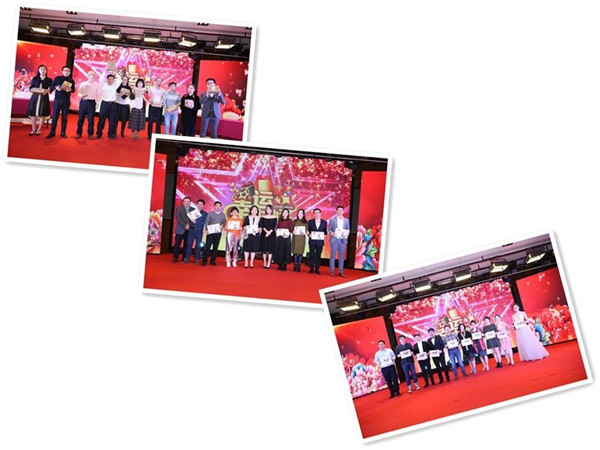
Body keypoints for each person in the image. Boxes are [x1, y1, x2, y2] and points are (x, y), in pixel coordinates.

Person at [47, 65, 75, 139]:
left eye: (68, 71)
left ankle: (63, 132)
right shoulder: (57, 78)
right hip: (57, 100)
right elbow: (51, 87)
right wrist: (56, 88)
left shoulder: (71, 80)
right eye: (65, 71)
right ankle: (52, 132)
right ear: (62, 71)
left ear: (70, 72)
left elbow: (73, 90)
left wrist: (70, 90)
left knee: (64, 117)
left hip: (66, 101)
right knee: (55, 117)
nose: (66, 72)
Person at [26, 64, 52, 136]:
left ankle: (39, 129)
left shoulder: (49, 80)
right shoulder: (35, 79)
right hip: (35, 97)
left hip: (44, 98)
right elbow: (30, 88)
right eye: (41, 69)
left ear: (46, 71)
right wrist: (32, 90)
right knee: (33, 114)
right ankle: (33, 129)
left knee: (42, 114)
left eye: (44, 69)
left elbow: (51, 88)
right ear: (39, 70)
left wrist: (48, 90)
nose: (43, 71)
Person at [75, 70, 101, 139]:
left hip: (92, 103)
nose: (92, 76)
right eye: (90, 75)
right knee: (81, 118)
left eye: (93, 75)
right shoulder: (83, 84)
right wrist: (82, 95)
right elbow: (79, 93)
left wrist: (97, 103)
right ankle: (78, 133)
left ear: (95, 77)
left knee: (91, 119)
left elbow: (98, 95)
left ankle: (90, 134)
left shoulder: (97, 85)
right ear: (88, 76)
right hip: (84, 101)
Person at [96, 72, 121, 139]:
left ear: (113, 80)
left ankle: (110, 134)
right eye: (109, 79)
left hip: (112, 104)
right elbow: (101, 79)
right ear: (107, 79)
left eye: (112, 79)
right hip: (105, 104)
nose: (110, 80)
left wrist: (115, 73)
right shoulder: (103, 85)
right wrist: (105, 72)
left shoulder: (115, 86)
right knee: (102, 119)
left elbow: (119, 80)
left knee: (112, 120)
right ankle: (99, 133)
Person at [183, 199, 207, 264]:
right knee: (189, 244)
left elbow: (203, 222)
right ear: (196, 204)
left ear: (203, 205)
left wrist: (195, 222)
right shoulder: (192, 212)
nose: (200, 205)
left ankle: (197, 259)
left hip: (199, 231)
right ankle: (187, 258)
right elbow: (188, 221)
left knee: (198, 245)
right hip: (191, 230)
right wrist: (190, 223)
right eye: (198, 204)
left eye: (201, 204)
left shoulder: (205, 214)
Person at [202, 201, 227, 266]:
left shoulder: (223, 214)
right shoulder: (210, 213)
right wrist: (207, 230)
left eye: (219, 206)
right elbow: (207, 222)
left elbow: (225, 222)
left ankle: (213, 260)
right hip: (210, 232)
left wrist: (222, 225)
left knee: (215, 247)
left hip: (218, 233)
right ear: (214, 207)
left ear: (221, 207)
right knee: (207, 247)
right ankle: (204, 260)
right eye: (216, 206)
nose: (218, 207)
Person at [328, 206, 350, 277]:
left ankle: (341, 271)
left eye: (341, 210)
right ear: (336, 211)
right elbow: (329, 229)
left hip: (342, 240)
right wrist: (332, 233)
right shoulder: (332, 220)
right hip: (334, 240)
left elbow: (348, 230)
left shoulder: (346, 220)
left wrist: (346, 234)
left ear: (343, 211)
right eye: (338, 210)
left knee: (341, 257)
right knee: (332, 256)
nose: (340, 212)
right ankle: (332, 271)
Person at [173, 197, 194, 263]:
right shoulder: (179, 208)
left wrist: (189, 225)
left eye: (188, 201)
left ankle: (184, 258)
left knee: (186, 244)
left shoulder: (193, 209)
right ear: (183, 202)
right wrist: (185, 225)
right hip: (180, 229)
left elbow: (194, 220)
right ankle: (175, 257)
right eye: (185, 201)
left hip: (189, 230)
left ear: (190, 202)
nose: (187, 203)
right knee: (177, 244)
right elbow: (179, 218)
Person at [307, 208, 328, 274]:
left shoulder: (324, 222)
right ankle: (311, 268)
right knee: (312, 255)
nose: (316, 214)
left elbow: (325, 231)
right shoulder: (310, 221)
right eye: (315, 213)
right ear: (313, 214)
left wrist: (325, 235)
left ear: (320, 213)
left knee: (318, 255)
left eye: (318, 213)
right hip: (312, 241)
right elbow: (308, 231)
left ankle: (317, 269)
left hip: (320, 242)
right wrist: (308, 234)